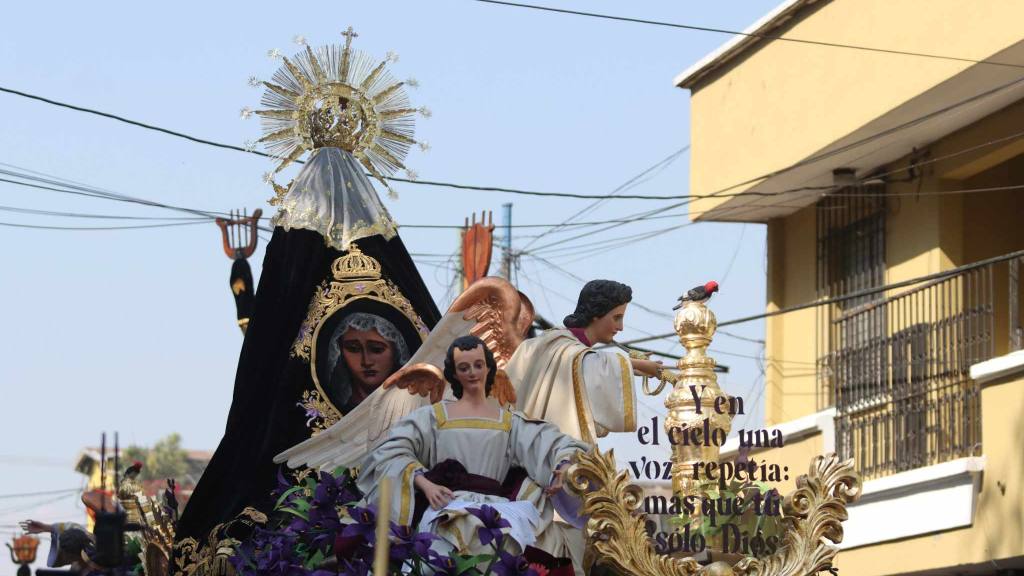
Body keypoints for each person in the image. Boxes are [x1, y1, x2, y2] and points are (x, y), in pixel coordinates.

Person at [357, 335, 589, 574]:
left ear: (489, 367)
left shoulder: (509, 422)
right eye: (464, 367)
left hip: (497, 514)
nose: (472, 373)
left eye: (478, 365)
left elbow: (551, 444)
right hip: (445, 506)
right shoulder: (432, 417)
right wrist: (425, 484)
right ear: (454, 374)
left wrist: (564, 465)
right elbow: (390, 452)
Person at [505, 279, 662, 443]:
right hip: (542, 448)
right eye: (616, 318)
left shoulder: (555, 345)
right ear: (596, 315)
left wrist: (629, 368)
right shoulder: (563, 347)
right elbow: (583, 363)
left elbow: (584, 366)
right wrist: (631, 364)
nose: (621, 327)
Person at [326, 312, 410, 413]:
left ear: (396, 351)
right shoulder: (335, 407)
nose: (366, 361)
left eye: (377, 349)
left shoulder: (411, 408)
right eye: (353, 349)